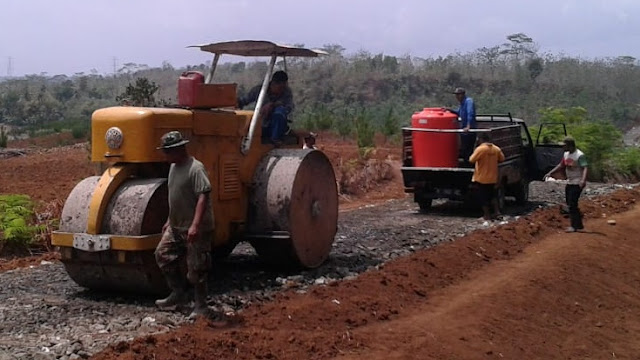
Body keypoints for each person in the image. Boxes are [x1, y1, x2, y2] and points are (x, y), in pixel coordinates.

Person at [154, 131, 215, 318]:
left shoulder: (195, 169)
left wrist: (195, 225)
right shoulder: (173, 168)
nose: (165, 156)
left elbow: (203, 197)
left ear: (178, 150)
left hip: (196, 227)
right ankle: (178, 293)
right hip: (176, 225)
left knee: (197, 268)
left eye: (167, 152)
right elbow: (175, 197)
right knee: (162, 255)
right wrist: (168, 220)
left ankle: (201, 306)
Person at [237, 70, 294, 145]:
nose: (281, 90)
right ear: (273, 83)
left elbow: (289, 107)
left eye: (284, 87)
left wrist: (273, 106)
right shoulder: (259, 90)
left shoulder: (286, 92)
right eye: (280, 87)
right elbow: (244, 100)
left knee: (280, 112)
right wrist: (236, 103)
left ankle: (275, 139)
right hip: (260, 125)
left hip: (276, 126)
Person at [545, 136, 588, 232]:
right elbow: (561, 165)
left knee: (572, 204)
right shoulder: (566, 154)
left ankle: (574, 226)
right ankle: (578, 225)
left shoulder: (579, 155)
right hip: (570, 181)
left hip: (577, 182)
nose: (562, 147)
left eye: (564, 145)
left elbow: (585, 167)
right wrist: (550, 172)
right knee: (570, 203)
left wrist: (583, 180)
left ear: (570, 145)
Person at [469, 131, 505, 220]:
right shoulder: (496, 149)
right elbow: (502, 159)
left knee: (483, 198)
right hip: (493, 177)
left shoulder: (480, 149)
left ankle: (487, 215)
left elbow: (471, 160)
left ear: (480, 139)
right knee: (493, 196)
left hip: (481, 178)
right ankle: (497, 213)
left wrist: (475, 148)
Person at [447, 87, 477, 166]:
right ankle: (466, 165)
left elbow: (470, 114)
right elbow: (458, 113)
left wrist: (468, 126)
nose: (457, 97)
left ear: (463, 94)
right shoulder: (462, 104)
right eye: (456, 95)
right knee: (464, 150)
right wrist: (449, 110)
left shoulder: (469, 101)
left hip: (470, 131)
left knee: (468, 150)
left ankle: (470, 167)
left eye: (458, 95)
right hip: (464, 131)